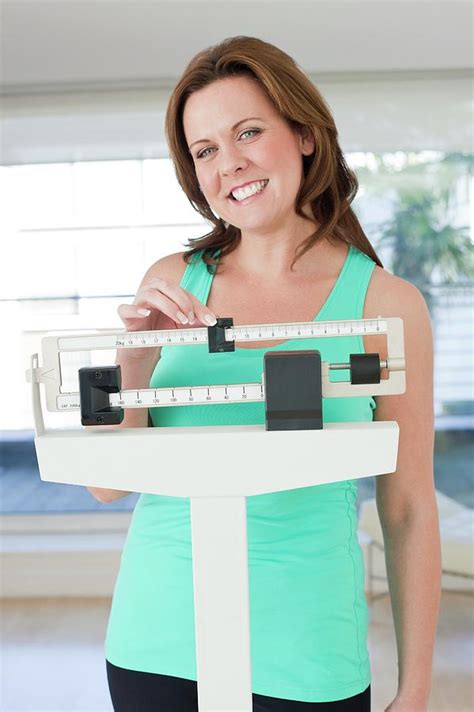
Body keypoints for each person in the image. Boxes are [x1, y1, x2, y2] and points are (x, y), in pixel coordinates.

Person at [88, 36, 441, 712]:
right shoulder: (169, 284)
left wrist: (416, 689)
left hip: (308, 654)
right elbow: (106, 482)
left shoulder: (388, 306)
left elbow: (408, 508)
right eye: (206, 150)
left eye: (248, 131)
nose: (231, 164)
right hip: (157, 644)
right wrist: (129, 361)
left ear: (305, 134)